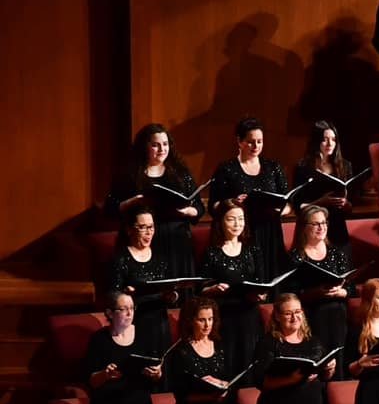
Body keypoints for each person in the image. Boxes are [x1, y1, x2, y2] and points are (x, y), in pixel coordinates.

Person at [107, 125, 199, 276]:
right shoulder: (130, 174)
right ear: (144, 147)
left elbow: (199, 207)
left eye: (165, 144)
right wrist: (133, 201)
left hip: (177, 240)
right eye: (155, 145)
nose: (162, 149)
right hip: (144, 239)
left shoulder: (180, 173)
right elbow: (110, 208)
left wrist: (187, 211)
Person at [82, 291, 161, 404]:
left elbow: (158, 374)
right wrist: (105, 374)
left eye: (132, 308)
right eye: (124, 309)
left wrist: (157, 373)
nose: (130, 313)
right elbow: (92, 381)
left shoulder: (145, 336)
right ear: (110, 313)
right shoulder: (99, 339)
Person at [250, 293, 334, 404]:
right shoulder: (268, 343)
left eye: (298, 312)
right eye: (288, 314)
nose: (294, 317)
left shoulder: (313, 341)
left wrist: (330, 368)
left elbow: (325, 376)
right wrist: (292, 380)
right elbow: (260, 381)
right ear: (277, 316)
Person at [209, 118, 290, 276]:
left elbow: (288, 203)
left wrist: (280, 210)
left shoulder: (273, 168)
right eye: (250, 142)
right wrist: (233, 203)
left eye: (259, 141)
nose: (256, 146)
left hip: (270, 230)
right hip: (243, 232)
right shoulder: (226, 169)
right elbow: (214, 205)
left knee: (272, 274)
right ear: (239, 141)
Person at [196, 202, 268, 373]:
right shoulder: (212, 252)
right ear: (221, 222)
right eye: (231, 219)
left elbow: (262, 284)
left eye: (241, 219)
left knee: (250, 361)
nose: (237, 224)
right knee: (230, 364)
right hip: (224, 317)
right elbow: (200, 289)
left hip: (249, 315)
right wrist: (213, 290)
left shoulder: (252, 249)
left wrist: (261, 295)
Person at [163, 298, 238, 404]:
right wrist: (208, 394)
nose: (207, 325)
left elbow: (231, 379)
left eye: (210, 319)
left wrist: (223, 386)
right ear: (190, 321)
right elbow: (181, 394)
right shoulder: (181, 351)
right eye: (201, 320)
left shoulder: (220, 345)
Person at [106, 208, 178, 356]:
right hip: (134, 322)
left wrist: (173, 296)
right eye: (142, 227)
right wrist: (126, 295)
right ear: (129, 229)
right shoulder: (121, 259)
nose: (148, 232)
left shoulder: (161, 259)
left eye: (151, 227)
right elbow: (113, 295)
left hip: (159, 322)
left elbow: (171, 290)